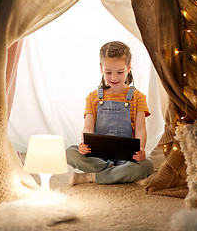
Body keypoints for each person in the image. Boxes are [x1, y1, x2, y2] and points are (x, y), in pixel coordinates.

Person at [66, 41, 154, 185]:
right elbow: (88, 128)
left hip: (126, 157)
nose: (114, 78)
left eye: (120, 72)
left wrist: (141, 149)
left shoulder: (138, 97)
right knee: (70, 151)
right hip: (99, 157)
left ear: (129, 68)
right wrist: (83, 143)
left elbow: (140, 129)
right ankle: (120, 174)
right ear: (101, 68)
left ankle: (91, 177)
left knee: (148, 164)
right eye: (108, 72)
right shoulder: (92, 97)